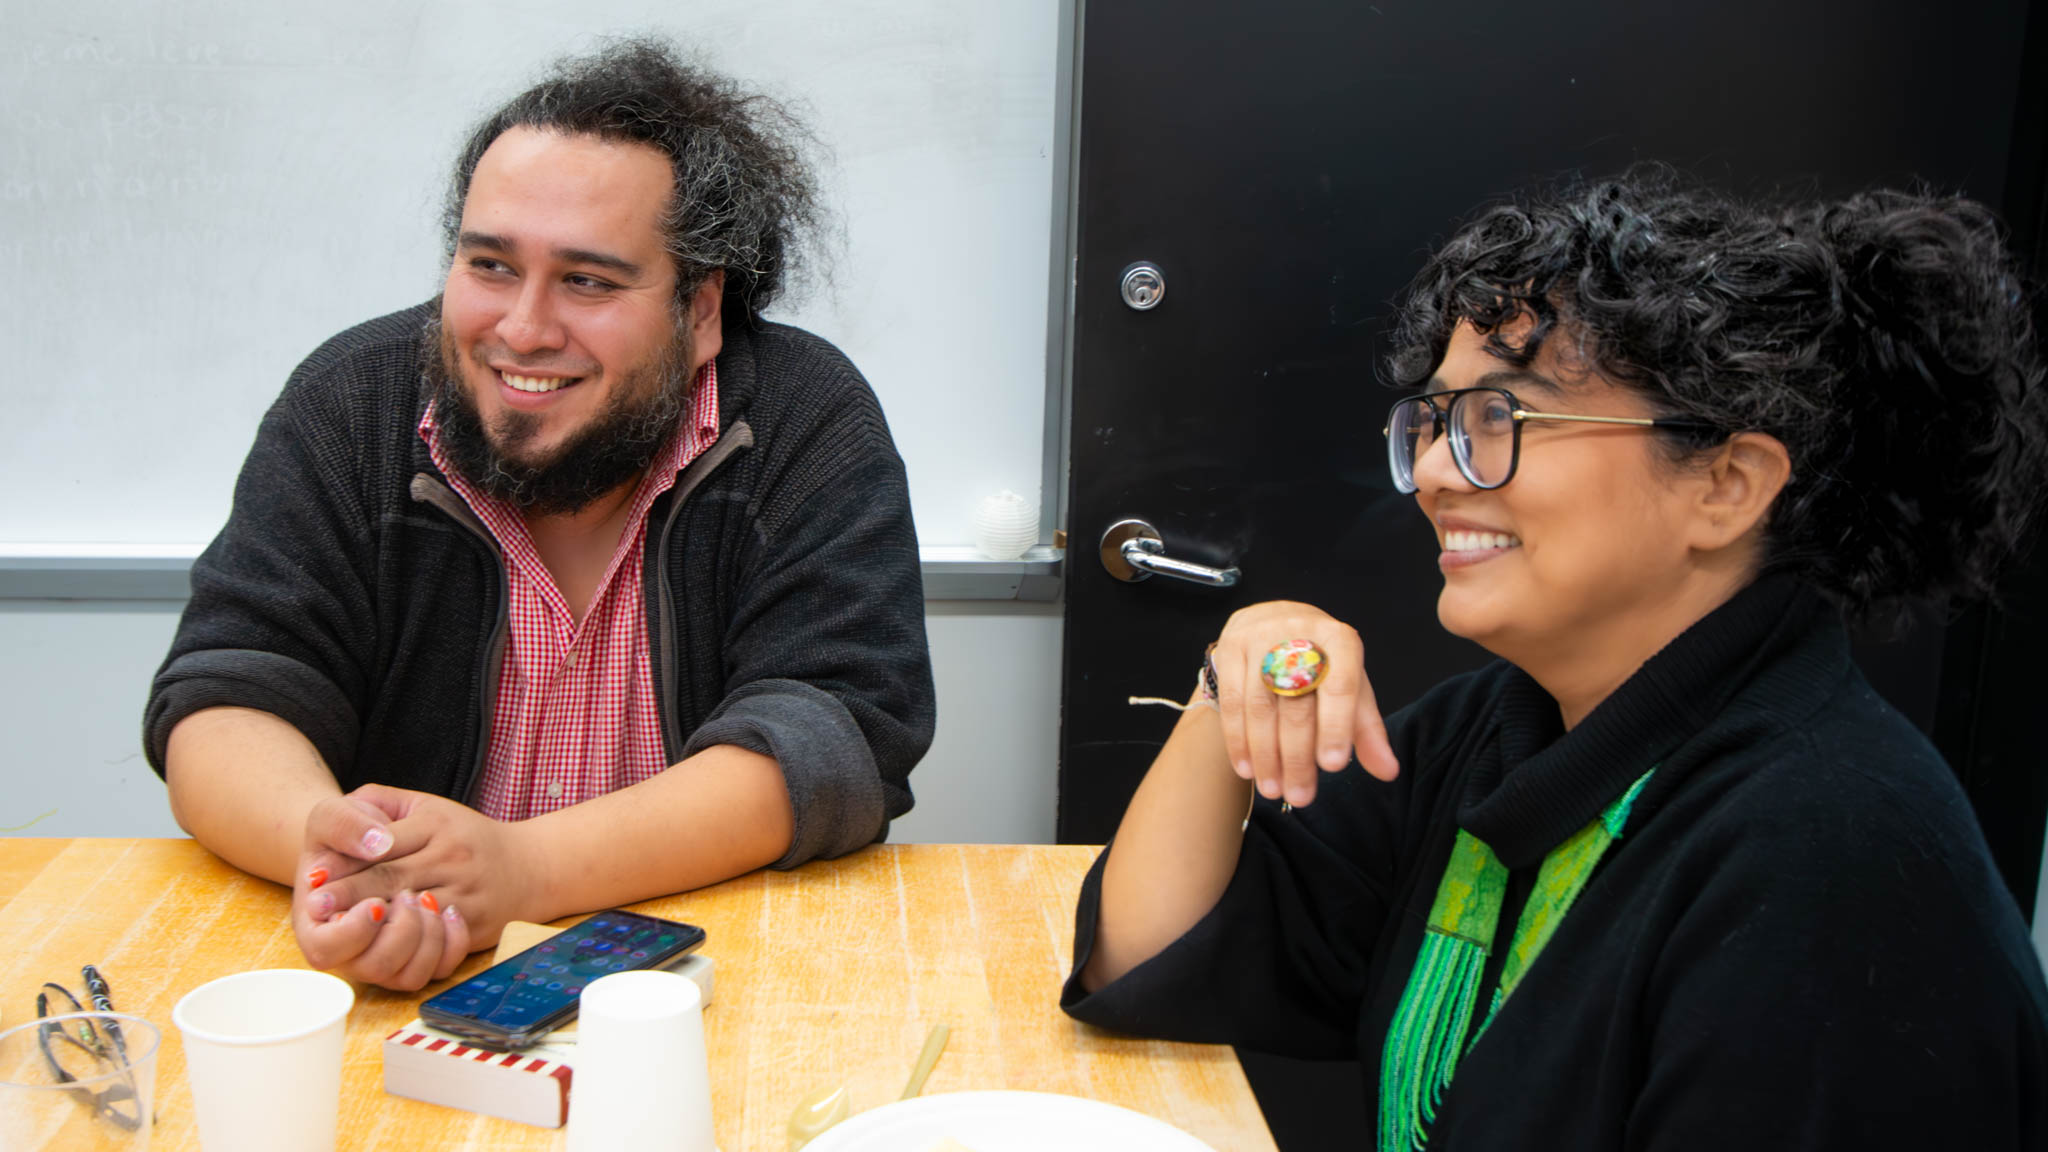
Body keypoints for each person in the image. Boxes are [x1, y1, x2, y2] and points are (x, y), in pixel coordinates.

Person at [1062, 169, 2048, 1149]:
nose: (1434, 472)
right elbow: (1142, 958)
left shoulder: (1833, 866)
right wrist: (1232, 674)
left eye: (1500, 419)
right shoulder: (1496, 730)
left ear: (1726, 485)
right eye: (1437, 421)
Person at [144, 39, 935, 991]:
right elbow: (228, 693)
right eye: (489, 264)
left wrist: (523, 871)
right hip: (391, 970)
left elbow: (834, 738)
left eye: (588, 281)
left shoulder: (805, 419)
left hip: (706, 978)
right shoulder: (351, 403)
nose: (522, 329)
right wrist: (337, 855)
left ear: (701, 311)